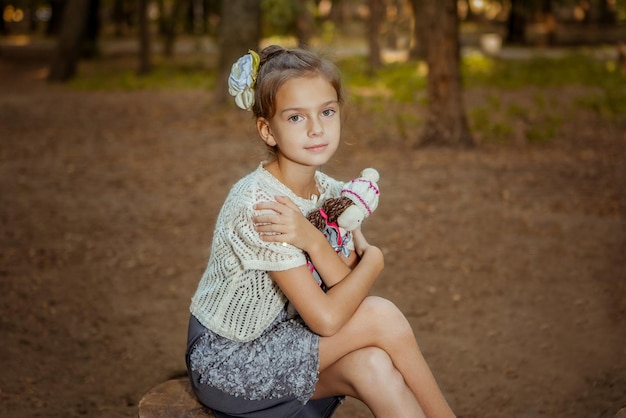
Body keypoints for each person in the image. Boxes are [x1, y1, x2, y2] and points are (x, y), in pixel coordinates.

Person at [185, 44, 456, 418]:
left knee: (374, 366)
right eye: (296, 118)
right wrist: (373, 260)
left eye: (327, 112)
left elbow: (345, 292)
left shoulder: (330, 193)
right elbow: (328, 318)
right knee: (382, 316)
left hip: (286, 343)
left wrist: (319, 242)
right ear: (267, 130)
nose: (317, 129)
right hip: (231, 361)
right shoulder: (262, 207)